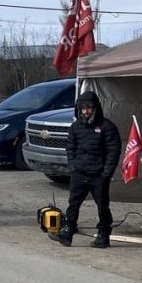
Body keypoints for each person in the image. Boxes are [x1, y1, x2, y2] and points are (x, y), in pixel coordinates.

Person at [50, 91, 121, 247]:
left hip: (99, 175)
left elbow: (113, 151)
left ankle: (103, 234)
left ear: (95, 108)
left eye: (89, 108)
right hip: (79, 172)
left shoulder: (107, 127)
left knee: (102, 206)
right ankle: (67, 232)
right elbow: (70, 147)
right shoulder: (75, 127)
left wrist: (106, 173)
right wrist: (73, 166)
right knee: (73, 204)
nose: (86, 111)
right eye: (83, 108)